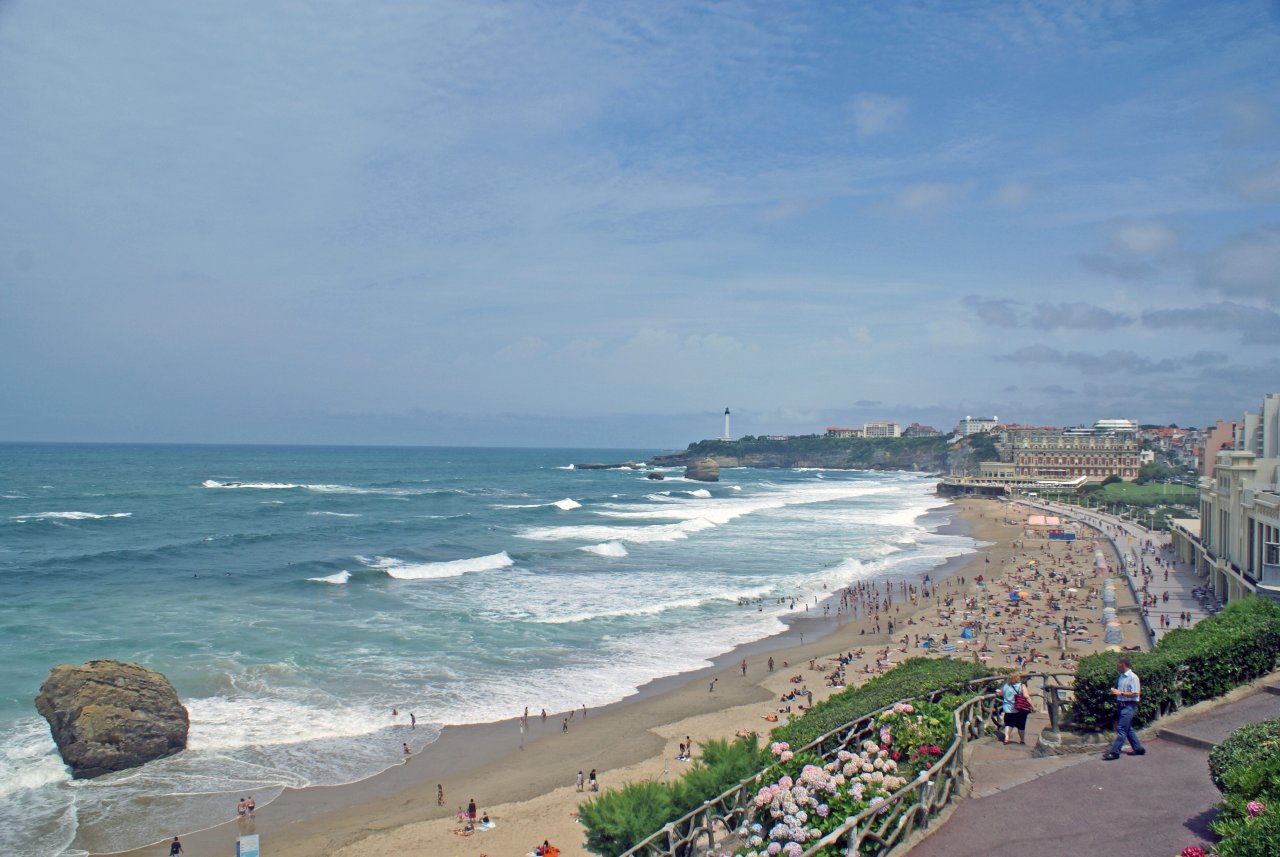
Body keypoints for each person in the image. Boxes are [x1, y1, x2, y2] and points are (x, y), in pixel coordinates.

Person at [1102, 657, 1145, 760]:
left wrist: (1120, 693)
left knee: (1121, 729)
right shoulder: (1121, 677)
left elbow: (1135, 693)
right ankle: (1138, 749)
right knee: (1127, 728)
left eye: (1118, 664)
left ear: (1123, 664)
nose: (1117, 666)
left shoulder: (1133, 677)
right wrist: (1116, 691)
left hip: (1129, 705)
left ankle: (1115, 752)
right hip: (1121, 705)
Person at [1000, 671, 1031, 745]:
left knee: (1008, 724)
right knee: (1021, 725)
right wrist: (1032, 706)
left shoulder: (1006, 685)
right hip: (1020, 708)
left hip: (1008, 708)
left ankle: (1006, 738)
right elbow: (1026, 696)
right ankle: (1022, 740)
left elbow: (1001, 693)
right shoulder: (1021, 685)